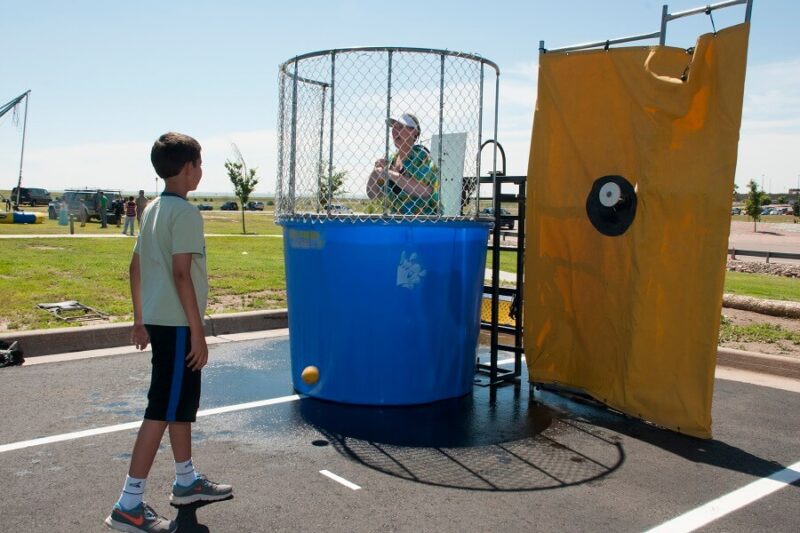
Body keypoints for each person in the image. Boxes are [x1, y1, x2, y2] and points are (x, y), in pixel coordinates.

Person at [105, 132, 232, 533]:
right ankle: (129, 504)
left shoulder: (153, 208)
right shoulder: (186, 214)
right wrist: (198, 332)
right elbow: (181, 273)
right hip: (179, 326)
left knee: (178, 406)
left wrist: (139, 318)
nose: (201, 170)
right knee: (160, 409)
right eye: (200, 163)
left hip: (160, 321)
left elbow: (135, 267)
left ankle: (186, 481)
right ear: (189, 168)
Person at [366, 112, 440, 215]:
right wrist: (375, 173)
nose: (395, 131)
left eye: (400, 127)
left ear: (414, 132)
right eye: (393, 127)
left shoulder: (421, 156)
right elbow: (373, 195)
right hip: (397, 221)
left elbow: (424, 191)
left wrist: (390, 174)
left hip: (424, 221)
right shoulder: (391, 159)